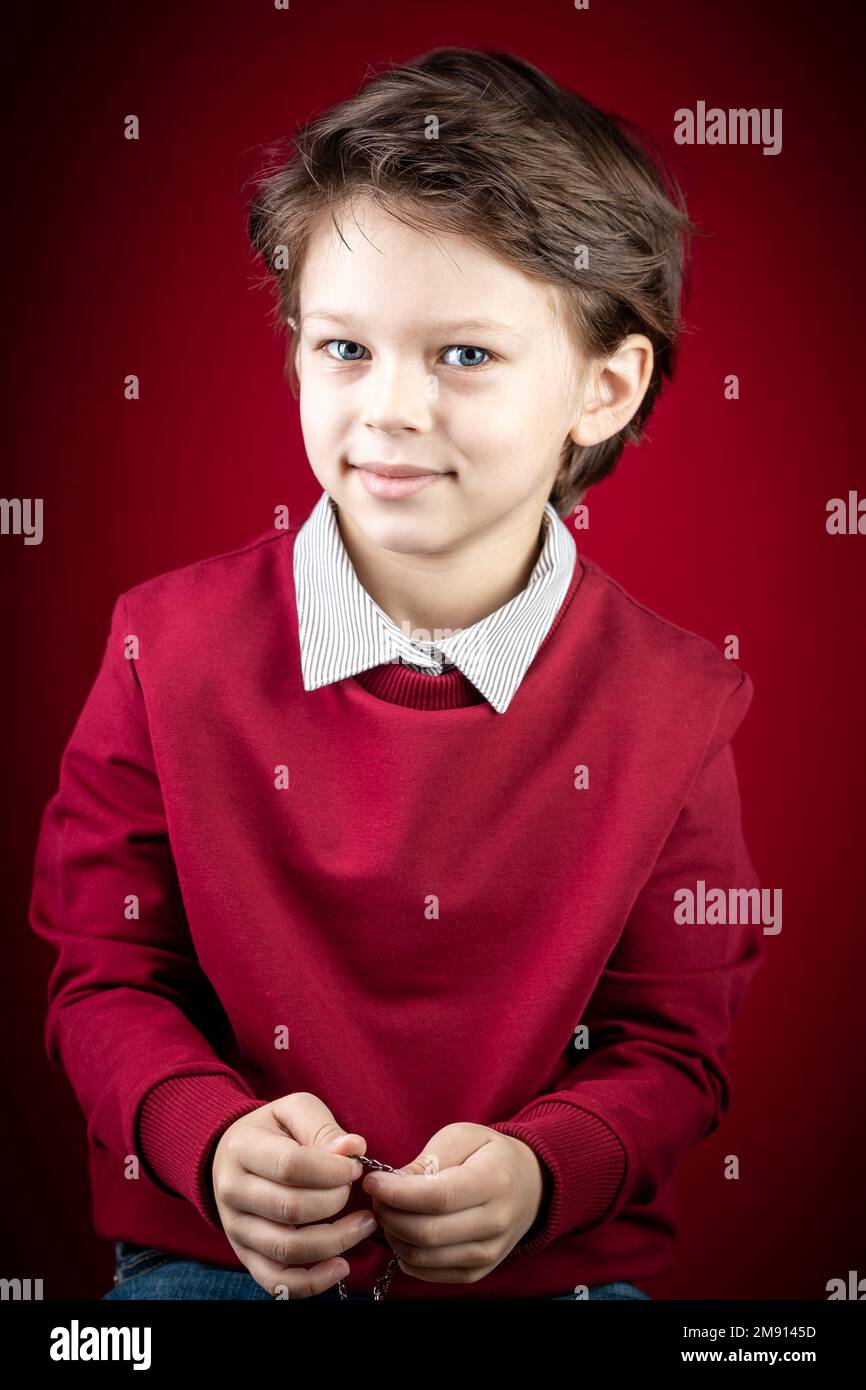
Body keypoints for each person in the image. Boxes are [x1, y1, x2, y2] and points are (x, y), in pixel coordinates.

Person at [29, 46, 764, 1301]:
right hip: (217, 1272)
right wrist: (207, 1140)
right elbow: (103, 974)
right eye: (344, 348)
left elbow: (668, 1049)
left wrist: (544, 1172)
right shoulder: (167, 646)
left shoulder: (676, 704)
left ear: (604, 384)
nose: (386, 410)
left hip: (556, 1280)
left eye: (462, 356)